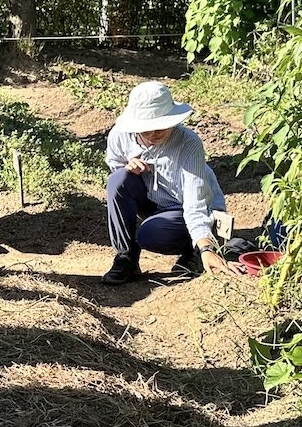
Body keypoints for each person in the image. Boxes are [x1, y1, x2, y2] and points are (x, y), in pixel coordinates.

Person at [101, 81, 238, 285]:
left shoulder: (188, 143)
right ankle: (126, 257)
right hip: (153, 201)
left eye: (161, 127)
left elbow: (195, 202)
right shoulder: (120, 136)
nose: (154, 134)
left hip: (183, 206)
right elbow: (115, 166)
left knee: (150, 234)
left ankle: (195, 250)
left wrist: (206, 247)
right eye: (147, 129)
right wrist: (128, 166)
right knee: (118, 179)